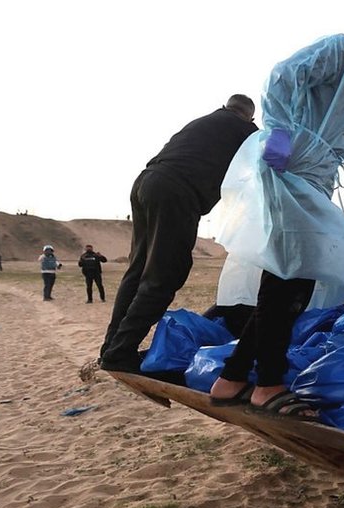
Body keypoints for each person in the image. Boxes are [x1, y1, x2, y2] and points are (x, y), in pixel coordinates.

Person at [208, 19, 344, 418]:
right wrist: (279, 131)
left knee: (291, 285)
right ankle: (267, 384)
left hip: (312, 187)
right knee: (288, 284)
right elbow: (285, 76)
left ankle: (231, 379)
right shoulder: (339, 52)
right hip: (289, 172)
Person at [98, 94, 259, 377]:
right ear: (249, 117)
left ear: (225, 106)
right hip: (177, 192)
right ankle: (120, 352)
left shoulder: (203, 121)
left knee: (138, 271)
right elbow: (269, 162)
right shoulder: (245, 130)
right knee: (164, 276)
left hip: (146, 182)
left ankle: (111, 348)